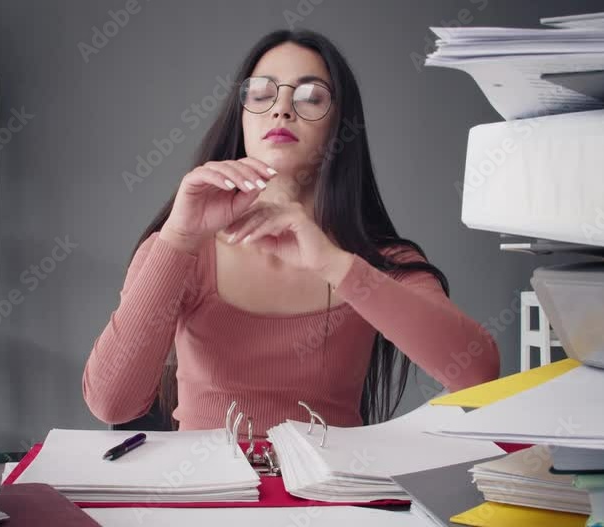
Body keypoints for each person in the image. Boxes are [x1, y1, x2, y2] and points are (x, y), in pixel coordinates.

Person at [83, 29, 499, 437]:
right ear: (241, 118)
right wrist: (178, 237)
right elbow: (111, 404)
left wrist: (334, 263)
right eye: (262, 95)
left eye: (310, 97)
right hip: (206, 498)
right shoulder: (183, 247)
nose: (282, 109)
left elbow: (479, 373)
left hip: (335, 499)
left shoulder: (381, 260)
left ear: (341, 126)